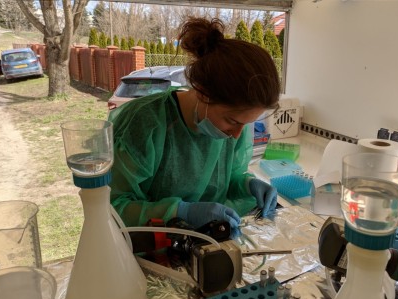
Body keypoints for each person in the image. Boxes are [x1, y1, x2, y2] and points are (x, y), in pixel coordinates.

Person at [108, 17, 280, 238]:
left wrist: (247, 184)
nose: (236, 136)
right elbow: (113, 206)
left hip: (203, 243)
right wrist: (180, 212)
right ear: (201, 91)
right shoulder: (146, 124)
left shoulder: (234, 127)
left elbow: (227, 177)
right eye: (232, 121)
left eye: (246, 124)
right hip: (145, 249)